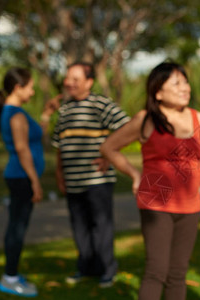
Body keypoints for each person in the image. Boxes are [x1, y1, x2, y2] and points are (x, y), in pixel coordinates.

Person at [100, 62, 200, 300]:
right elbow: (109, 147)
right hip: (156, 203)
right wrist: (135, 174)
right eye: (176, 83)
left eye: (185, 82)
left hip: (191, 206)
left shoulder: (198, 118)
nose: (185, 88)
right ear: (158, 92)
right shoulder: (146, 119)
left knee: (178, 273)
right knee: (157, 271)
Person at [51, 62, 130, 288]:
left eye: (76, 79)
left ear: (89, 82)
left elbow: (127, 127)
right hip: (72, 179)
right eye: (68, 78)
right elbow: (60, 144)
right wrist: (59, 174)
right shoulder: (65, 109)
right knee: (79, 226)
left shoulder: (100, 104)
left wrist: (108, 155)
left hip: (97, 179)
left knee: (101, 225)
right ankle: (86, 267)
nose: (70, 83)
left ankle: (107, 270)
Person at [0, 67, 57, 297]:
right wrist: (35, 181)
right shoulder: (16, 114)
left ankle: (12, 274)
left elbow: (35, 137)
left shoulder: (15, 112)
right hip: (21, 177)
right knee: (17, 228)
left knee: (18, 226)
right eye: (30, 86)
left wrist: (46, 115)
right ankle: (9, 279)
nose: (33, 90)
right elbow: (22, 148)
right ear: (18, 88)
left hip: (20, 176)